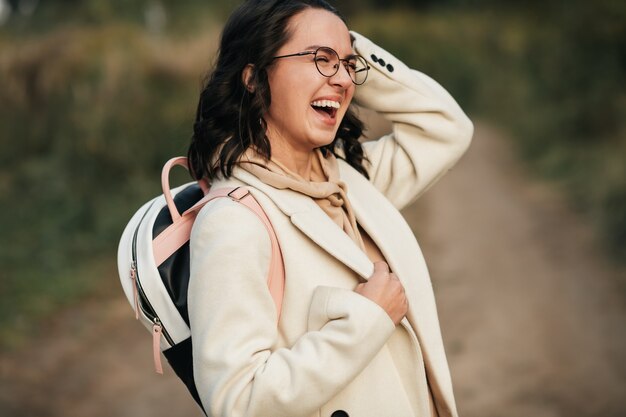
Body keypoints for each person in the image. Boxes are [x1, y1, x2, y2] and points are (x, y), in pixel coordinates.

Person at [186, 0, 473, 416]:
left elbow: (448, 127)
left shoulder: (351, 181)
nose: (342, 79)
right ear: (253, 76)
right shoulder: (233, 221)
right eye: (320, 59)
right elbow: (236, 402)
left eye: (347, 65)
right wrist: (367, 320)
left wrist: (348, 48)